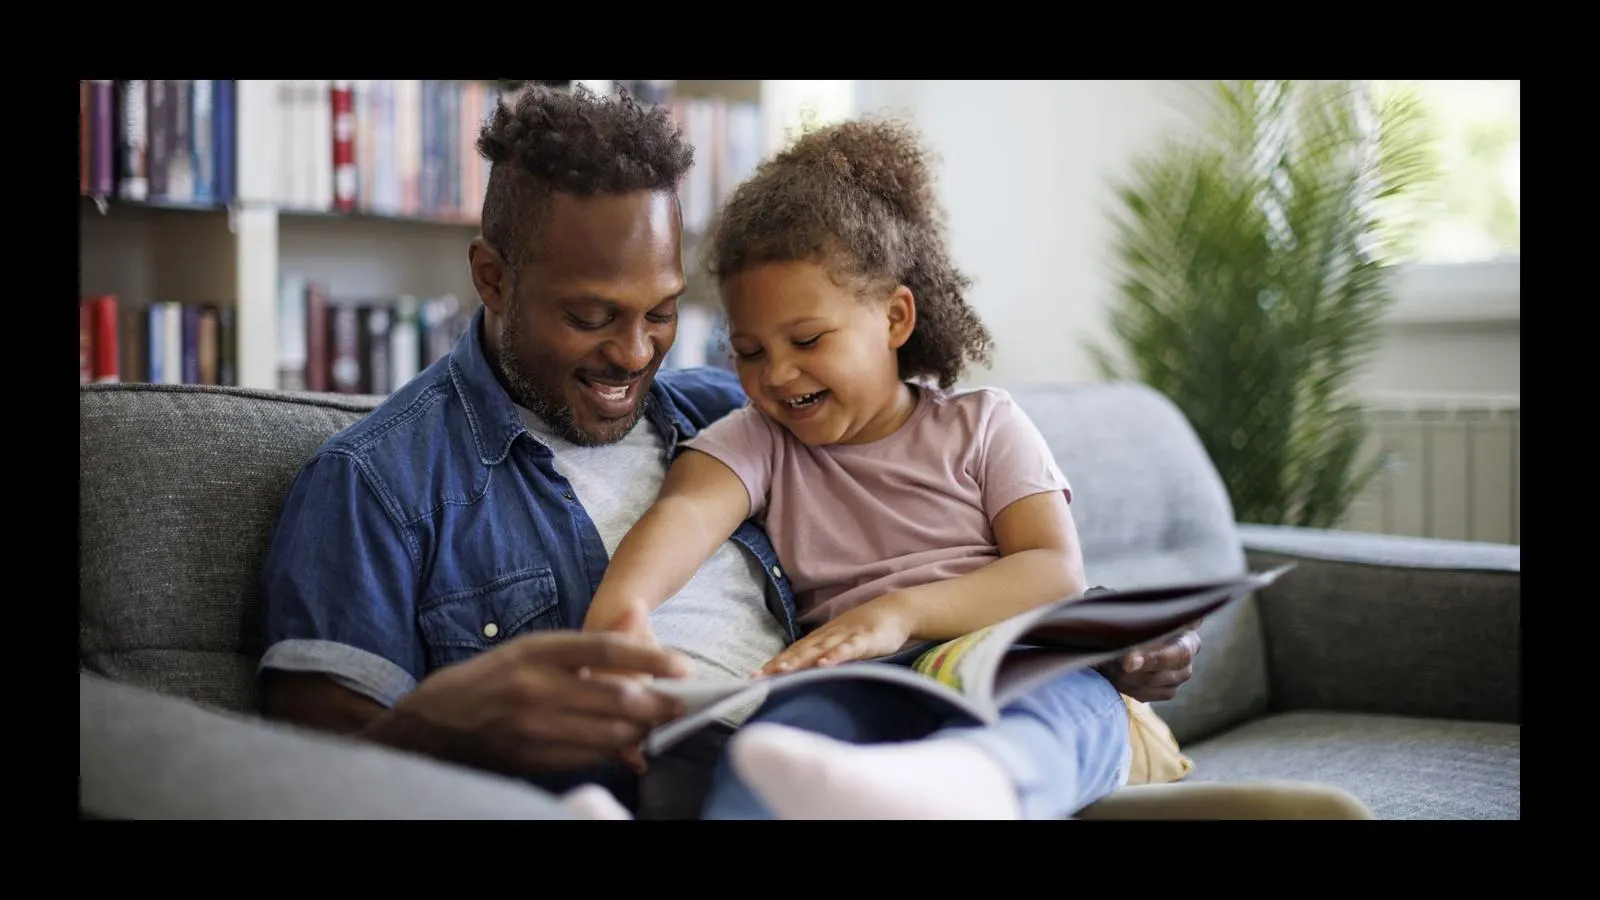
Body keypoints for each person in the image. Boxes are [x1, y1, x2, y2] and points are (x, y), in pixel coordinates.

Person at [255, 83, 1209, 820]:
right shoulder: (378, 484)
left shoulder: (734, 407)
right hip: (705, 767)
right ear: (492, 279)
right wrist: (462, 726)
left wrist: (1121, 640)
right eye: (593, 316)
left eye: (662, 313)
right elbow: (298, 767)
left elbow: (1009, 557)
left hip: (869, 743)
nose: (634, 354)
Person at [576, 115, 1143, 820]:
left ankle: (981, 789)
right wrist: (620, 613)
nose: (778, 374)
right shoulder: (763, 441)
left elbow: (1053, 571)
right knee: (774, 744)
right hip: (861, 685)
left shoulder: (985, 425)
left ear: (895, 318)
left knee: (1074, 707)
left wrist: (897, 613)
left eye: (807, 339)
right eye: (748, 352)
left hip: (1004, 667)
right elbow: (685, 513)